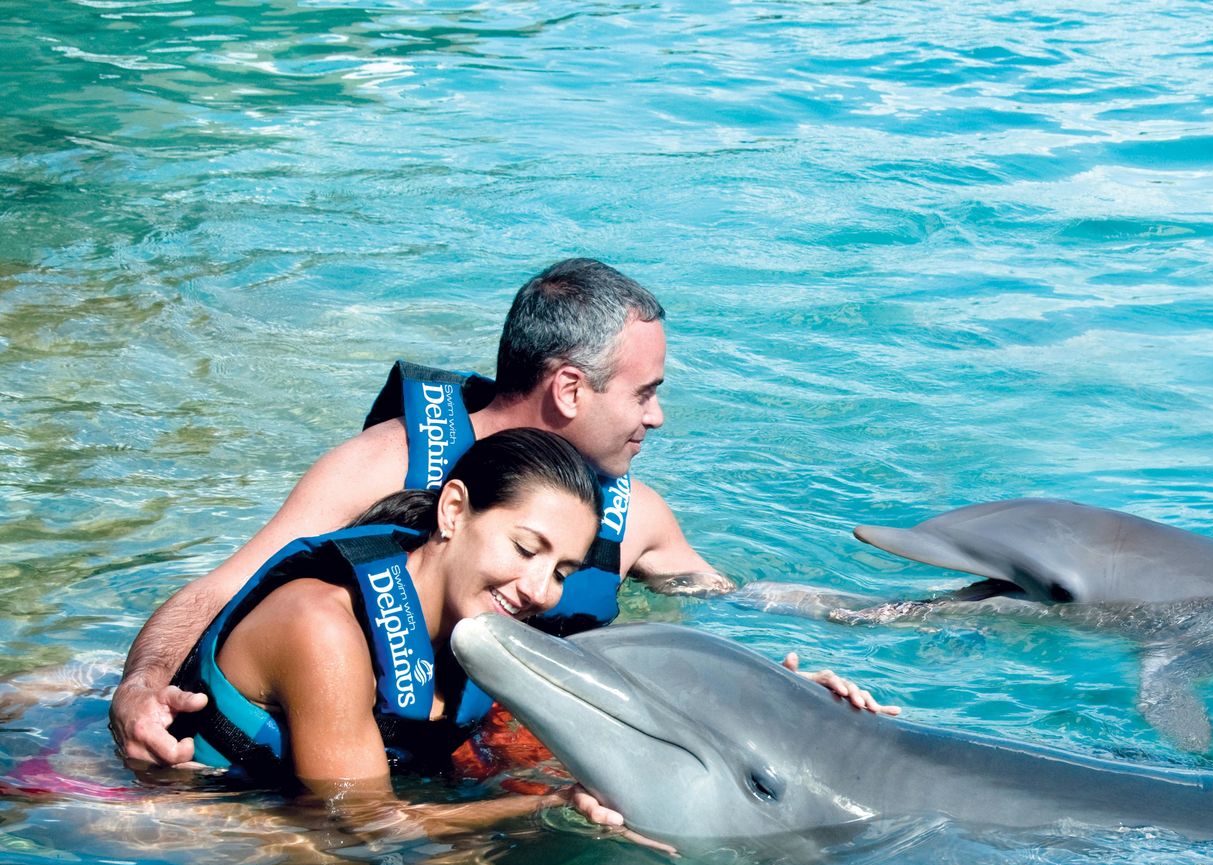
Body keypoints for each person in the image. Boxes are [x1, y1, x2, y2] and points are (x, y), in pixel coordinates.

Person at [112, 257, 886, 767]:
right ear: (572, 389)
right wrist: (140, 684)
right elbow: (229, 587)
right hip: (315, 741)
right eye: (645, 394)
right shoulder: (389, 462)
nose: (656, 419)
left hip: (445, 750)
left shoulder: (633, 515)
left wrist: (888, 632)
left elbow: (733, 602)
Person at [172, 428, 632, 836]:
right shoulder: (323, 627)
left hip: (308, 818)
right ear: (453, 511)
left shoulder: (471, 627)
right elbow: (364, 824)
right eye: (525, 548)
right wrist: (551, 804)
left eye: (562, 573)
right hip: (189, 824)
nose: (539, 592)